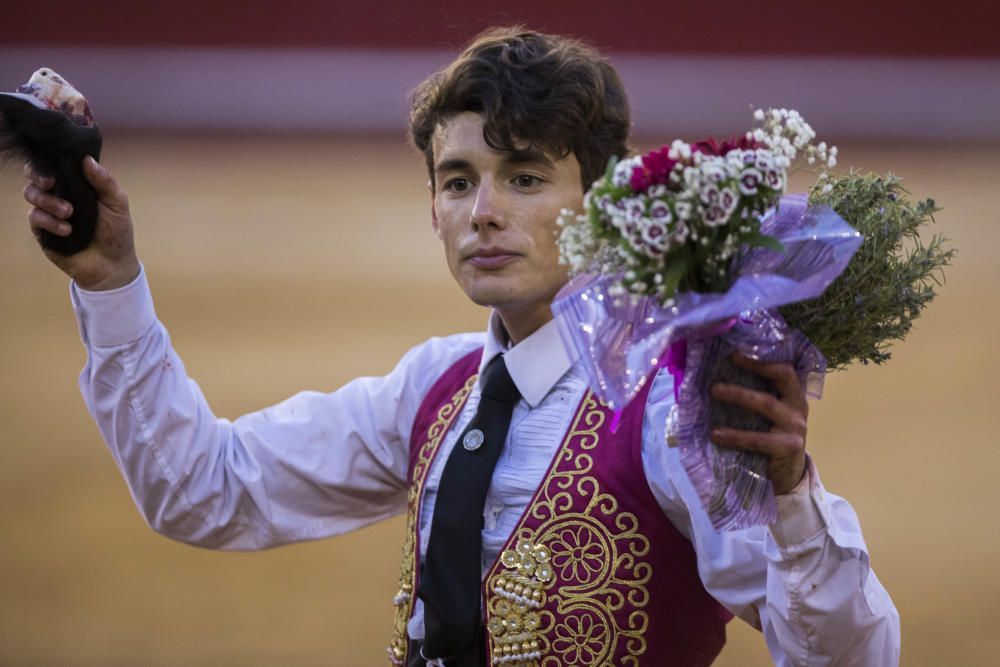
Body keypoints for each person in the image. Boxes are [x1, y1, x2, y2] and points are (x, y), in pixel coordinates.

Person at [21, 27, 899, 666]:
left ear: (600, 208)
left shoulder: (669, 411)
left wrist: (791, 499)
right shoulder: (434, 386)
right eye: (456, 182)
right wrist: (110, 285)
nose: (483, 211)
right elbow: (200, 490)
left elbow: (850, 659)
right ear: (432, 211)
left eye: (523, 178)